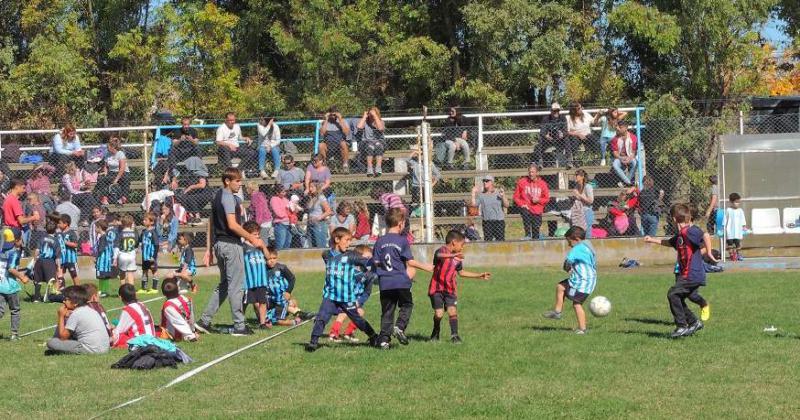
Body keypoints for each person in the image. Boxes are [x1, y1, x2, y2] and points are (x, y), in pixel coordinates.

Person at [198, 168, 264, 336]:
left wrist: (209, 249)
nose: (240, 184)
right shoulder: (228, 198)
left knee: (225, 285)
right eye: (237, 181)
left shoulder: (217, 196)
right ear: (227, 181)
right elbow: (233, 225)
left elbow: (210, 223)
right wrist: (252, 238)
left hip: (220, 245)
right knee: (236, 286)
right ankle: (239, 325)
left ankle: (204, 321)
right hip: (230, 245)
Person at [644, 204, 717, 338]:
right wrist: (652, 240)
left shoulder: (690, 231)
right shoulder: (680, 236)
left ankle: (682, 326)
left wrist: (710, 253)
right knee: (678, 297)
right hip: (688, 274)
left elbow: (705, 235)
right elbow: (668, 242)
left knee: (673, 294)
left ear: (673, 219)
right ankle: (694, 322)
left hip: (692, 274)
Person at [305, 227, 380, 352]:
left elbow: (367, 262)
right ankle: (313, 342)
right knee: (322, 317)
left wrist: (379, 264)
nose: (349, 243)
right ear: (337, 239)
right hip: (331, 296)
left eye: (350, 240)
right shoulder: (327, 255)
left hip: (347, 297)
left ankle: (373, 336)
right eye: (347, 240)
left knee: (357, 319)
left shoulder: (351, 256)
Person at [372, 208, 434, 348]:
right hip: (401, 281)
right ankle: (399, 326)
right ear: (400, 223)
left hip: (385, 283)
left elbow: (375, 262)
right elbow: (410, 262)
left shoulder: (380, 241)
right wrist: (427, 267)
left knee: (387, 311)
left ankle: (383, 340)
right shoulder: (402, 241)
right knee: (407, 305)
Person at [428, 230, 491, 343]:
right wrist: (453, 255)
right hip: (436, 288)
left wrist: (479, 275)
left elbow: (461, 273)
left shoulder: (457, 259)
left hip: (450, 289)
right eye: (461, 245)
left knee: (452, 311)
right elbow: (439, 256)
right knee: (439, 314)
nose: (462, 248)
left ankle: (455, 336)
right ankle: (436, 330)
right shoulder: (441, 251)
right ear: (453, 242)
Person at [541, 226, 597, 333]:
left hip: (584, 282)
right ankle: (557, 312)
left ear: (576, 239)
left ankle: (582, 329)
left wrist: (567, 269)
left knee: (577, 304)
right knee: (561, 286)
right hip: (582, 279)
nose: (569, 244)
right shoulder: (587, 245)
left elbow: (567, 262)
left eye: (569, 241)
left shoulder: (577, 248)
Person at [328, 244, 376, 342]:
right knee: (343, 313)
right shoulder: (350, 271)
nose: (368, 261)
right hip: (343, 299)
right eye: (366, 258)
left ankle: (348, 334)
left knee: (360, 312)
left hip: (354, 302)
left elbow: (367, 293)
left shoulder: (369, 275)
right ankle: (333, 334)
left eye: (370, 259)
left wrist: (359, 301)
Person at [45, 285, 110, 355]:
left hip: (92, 349)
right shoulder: (89, 310)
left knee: (52, 342)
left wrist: (61, 316)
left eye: (66, 299)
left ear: (75, 303)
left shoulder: (76, 314)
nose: (64, 301)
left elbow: (63, 337)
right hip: (105, 347)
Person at [263, 245, 312, 327]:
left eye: (274, 258)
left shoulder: (282, 268)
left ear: (277, 258)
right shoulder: (262, 269)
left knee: (289, 305)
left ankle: (299, 318)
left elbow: (292, 279)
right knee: (271, 318)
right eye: (269, 259)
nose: (271, 261)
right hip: (270, 300)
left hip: (281, 299)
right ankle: (300, 315)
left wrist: (288, 292)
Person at [242, 221, 271, 327]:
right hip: (249, 281)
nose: (258, 236)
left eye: (258, 234)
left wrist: (263, 247)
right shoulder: (243, 247)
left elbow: (268, 257)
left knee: (262, 302)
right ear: (247, 234)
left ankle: (262, 323)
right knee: (245, 302)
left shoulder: (260, 245)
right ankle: (240, 321)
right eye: (255, 234)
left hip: (261, 279)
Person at [0, 229, 28, 341]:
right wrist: (22, 277)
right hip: (10, 287)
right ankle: (14, 334)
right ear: (16, 240)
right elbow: (11, 268)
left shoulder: (2, 250)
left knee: (0, 310)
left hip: (0, 285)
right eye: (21, 239)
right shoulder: (14, 252)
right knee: (15, 310)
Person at [513, 164, 550, 240]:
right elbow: (516, 197)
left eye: (533, 172)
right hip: (526, 207)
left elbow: (547, 199)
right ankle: (528, 234)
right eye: (529, 172)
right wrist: (522, 204)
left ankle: (536, 239)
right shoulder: (522, 182)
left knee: (536, 230)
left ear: (537, 173)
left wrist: (538, 200)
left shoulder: (542, 184)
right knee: (525, 212)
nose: (531, 174)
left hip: (537, 209)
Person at [112, 284, 157, 348]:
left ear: (120, 297)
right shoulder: (141, 304)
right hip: (152, 338)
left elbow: (119, 331)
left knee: (115, 336)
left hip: (141, 341)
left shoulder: (129, 309)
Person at [32, 217, 62, 303]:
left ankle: (36, 298)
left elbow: (37, 250)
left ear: (46, 229)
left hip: (40, 260)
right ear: (55, 230)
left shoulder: (41, 238)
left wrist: (34, 261)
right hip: (49, 262)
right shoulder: (56, 241)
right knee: (51, 280)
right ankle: (49, 296)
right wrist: (59, 267)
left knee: (37, 279)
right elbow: (57, 257)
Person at [471, 175, 508, 241]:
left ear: (492, 182)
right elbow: (474, 205)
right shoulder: (481, 195)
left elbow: (507, 205)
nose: (485, 182)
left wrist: (503, 196)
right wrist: (473, 193)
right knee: (488, 242)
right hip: (487, 222)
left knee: (500, 241)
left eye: (487, 181)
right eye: (484, 181)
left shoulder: (498, 192)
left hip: (498, 221)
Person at [94, 137, 130, 206]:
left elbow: (122, 168)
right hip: (112, 172)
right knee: (101, 179)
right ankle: (104, 198)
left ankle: (123, 198)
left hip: (122, 172)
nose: (107, 148)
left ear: (113, 147)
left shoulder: (120, 154)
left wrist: (116, 179)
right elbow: (105, 166)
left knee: (125, 178)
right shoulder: (107, 154)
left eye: (109, 147)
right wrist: (105, 172)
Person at [319, 107, 351, 173]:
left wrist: (340, 119)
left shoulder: (343, 121)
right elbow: (322, 133)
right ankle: (326, 165)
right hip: (328, 145)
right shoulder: (324, 122)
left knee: (343, 143)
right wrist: (326, 119)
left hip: (339, 146)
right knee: (321, 145)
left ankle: (345, 165)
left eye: (334, 114)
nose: (333, 116)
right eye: (332, 114)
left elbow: (346, 133)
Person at [534, 103, 567, 167]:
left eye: (557, 111)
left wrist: (562, 134)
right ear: (551, 111)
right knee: (539, 142)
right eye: (554, 111)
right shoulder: (546, 118)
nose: (556, 112)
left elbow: (566, 130)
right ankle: (539, 161)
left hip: (560, 140)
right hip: (548, 140)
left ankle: (569, 160)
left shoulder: (563, 118)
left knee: (567, 138)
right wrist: (546, 135)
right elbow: (542, 132)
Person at [357, 107, 386, 177]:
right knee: (370, 146)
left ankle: (378, 167)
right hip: (366, 142)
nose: (371, 115)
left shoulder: (380, 121)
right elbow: (359, 127)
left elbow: (381, 128)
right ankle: (369, 168)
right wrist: (364, 116)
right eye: (370, 114)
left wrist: (375, 116)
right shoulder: (365, 122)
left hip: (379, 141)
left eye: (373, 113)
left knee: (378, 145)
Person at [565, 102, 594, 168]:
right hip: (575, 137)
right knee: (574, 141)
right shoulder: (568, 118)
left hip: (587, 135)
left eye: (581, 107)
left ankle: (595, 159)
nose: (581, 109)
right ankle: (576, 160)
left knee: (595, 141)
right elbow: (567, 131)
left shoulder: (585, 114)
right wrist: (578, 134)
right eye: (579, 108)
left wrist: (598, 115)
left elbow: (594, 122)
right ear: (574, 110)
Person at [610, 121, 639, 187]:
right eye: (618, 128)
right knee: (615, 164)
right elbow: (615, 153)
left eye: (621, 127)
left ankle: (625, 182)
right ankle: (628, 182)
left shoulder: (633, 137)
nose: (618, 129)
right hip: (619, 157)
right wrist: (621, 158)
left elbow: (634, 152)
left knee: (635, 163)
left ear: (626, 128)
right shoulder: (615, 139)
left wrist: (629, 158)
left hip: (630, 157)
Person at [93, 220, 117, 297]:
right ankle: (105, 291)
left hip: (102, 261)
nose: (95, 229)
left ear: (99, 228)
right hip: (107, 261)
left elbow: (101, 249)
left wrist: (96, 257)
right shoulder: (106, 236)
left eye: (96, 228)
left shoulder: (102, 237)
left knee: (101, 277)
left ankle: (101, 291)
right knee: (105, 276)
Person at [305, 182, 333, 248]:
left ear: (317, 188)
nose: (310, 189)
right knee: (311, 246)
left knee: (319, 246)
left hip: (319, 225)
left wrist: (319, 218)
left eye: (312, 187)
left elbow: (328, 211)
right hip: (310, 224)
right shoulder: (311, 197)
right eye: (309, 187)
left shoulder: (321, 197)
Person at [56, 214, 80, 287]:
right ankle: (59, 290)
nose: (58, 225)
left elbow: (76, 244)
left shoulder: (71, 233)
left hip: (70, 259)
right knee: (59, 275)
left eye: (59, 223)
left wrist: (66, 243)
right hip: (62, 259)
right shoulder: (59, 234)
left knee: (74, 274)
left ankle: (78, 289)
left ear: (66, 224)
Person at [114, 214, 138, 287]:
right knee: (130, 274)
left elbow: (117, 247)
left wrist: (114, 258)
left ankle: (122, 290)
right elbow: (136, 244)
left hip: (123, 255)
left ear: (122, 223)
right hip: (132, 255)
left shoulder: (120, 234)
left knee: (122, 274)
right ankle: (131, 290)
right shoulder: (134, 233)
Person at [139, 213, 160, 294]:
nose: (143, 221)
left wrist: (154, 256)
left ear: (151, 222)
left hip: (151, 257)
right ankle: (143, 288)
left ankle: (154, 288)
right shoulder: (144, 231)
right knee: (144, 271)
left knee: (154, 271)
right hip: (144, 257)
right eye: (143, 220)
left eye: (145, 220)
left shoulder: (153, 232)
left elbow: (156, 245)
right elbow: (140, 240)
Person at [570, 169, 594, 238]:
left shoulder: (588, 187)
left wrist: (579, 195)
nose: (575, 177)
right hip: (578, 212)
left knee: (587, 235)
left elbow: (591, 201)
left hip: (586, 212)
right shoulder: (576, 187)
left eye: (576, 175)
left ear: (582, 176)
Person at [247, 181, 273, 245]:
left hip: (262, 222)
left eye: (247, 188)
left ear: (251, 188)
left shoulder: (256, 197)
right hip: (264, 221)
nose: (246, 189)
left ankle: (265, 254)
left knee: (262, 241)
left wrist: (257, 224)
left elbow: (259, 211)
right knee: (263, 240)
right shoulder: (259, 195)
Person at [724, 192, 747, 261]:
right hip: (729, 230)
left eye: (738, 202)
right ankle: (731, 255)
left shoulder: (740, 211)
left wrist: (744, 226)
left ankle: (739, 254)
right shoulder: (728, 210)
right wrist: (723, 227)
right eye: (736, 202)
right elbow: (725, 219)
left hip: (738, 230)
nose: (737, 204)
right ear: (731, 202)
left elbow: (743, 219)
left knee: (738, 243)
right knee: (730, 243)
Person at [270, 185, 292, 250]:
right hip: (280, 224)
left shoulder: (286, 199)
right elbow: (278, 213)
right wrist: (288, 214)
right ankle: (278, 258)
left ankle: (286, 259)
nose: (284, 193)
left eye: (284, 192)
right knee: (280, 244)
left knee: (287, 243)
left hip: (289, 224)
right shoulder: (274, 199)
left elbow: (291, 209)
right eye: (282, 192)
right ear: (277, 192)